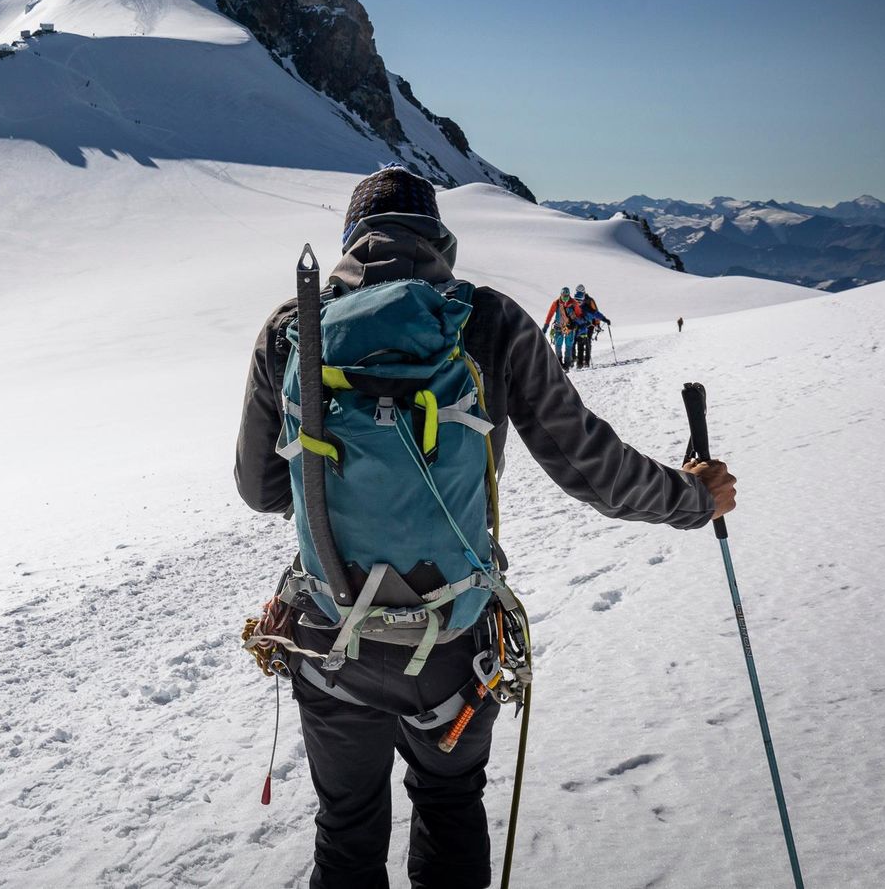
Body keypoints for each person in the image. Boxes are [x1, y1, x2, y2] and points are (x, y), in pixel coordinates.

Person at [234, 166, 736, 889]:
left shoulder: (293, 329)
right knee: (447, 805)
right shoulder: (489, 320)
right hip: (452, 648)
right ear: (440, 238)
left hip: (328, 637)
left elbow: (259, 489)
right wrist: (692, 497)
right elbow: (591, 465)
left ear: (351, 240)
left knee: (346, 831)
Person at [571, 285, 610, 369]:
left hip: (588, 325)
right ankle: (580, 362)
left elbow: (595, 313)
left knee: (585, 342)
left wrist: (603, 319)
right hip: (580, 326)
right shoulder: (574, 306)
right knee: (580, 343)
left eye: (579, 301)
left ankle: (584, 362)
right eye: (576, 300)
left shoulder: (588, 304)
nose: (578, 302)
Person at [540, 287, 578, 369]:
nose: (565, 297)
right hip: (558, 327)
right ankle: (559, 363)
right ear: (561, 295)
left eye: (567, 296)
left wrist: (575, 324)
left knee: (568, 345)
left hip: (569, 328)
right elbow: (550, 315)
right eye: (564, 295)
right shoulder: (556, 303)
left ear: (569, 295)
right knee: (558, 345)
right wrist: (545, 327)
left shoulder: (573, 303)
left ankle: (567, 364)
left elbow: (578, 314)